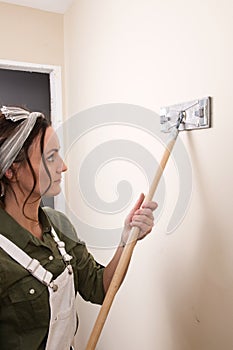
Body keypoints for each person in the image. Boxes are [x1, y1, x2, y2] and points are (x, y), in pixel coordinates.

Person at [0, 106, 158, 350]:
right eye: (50, 157)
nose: (63, 167)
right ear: (12, 170)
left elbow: (100, 287)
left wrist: (127, 239)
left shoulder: (57, 225)